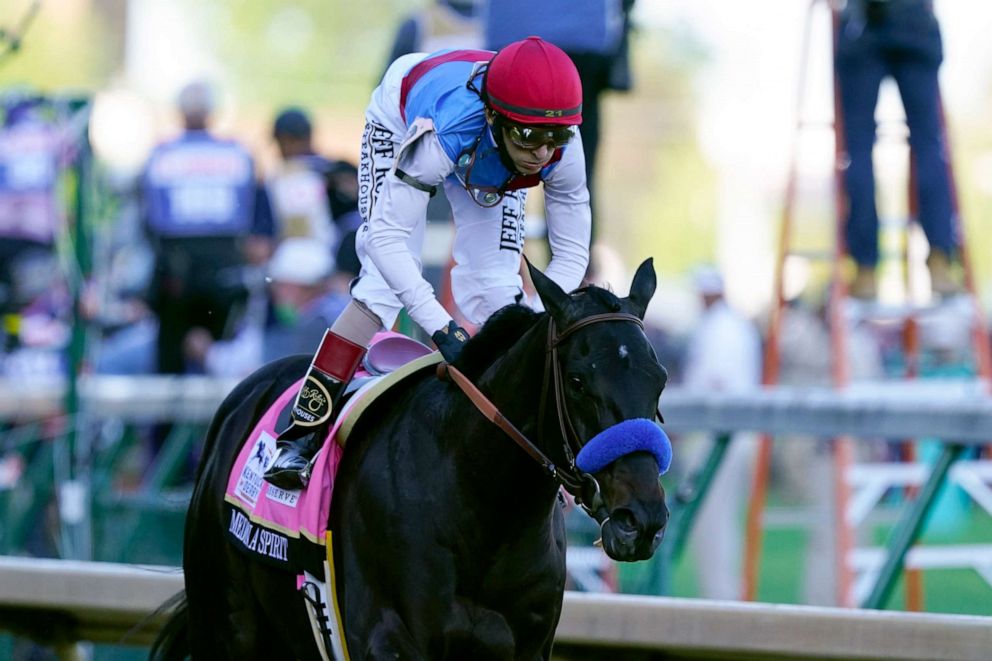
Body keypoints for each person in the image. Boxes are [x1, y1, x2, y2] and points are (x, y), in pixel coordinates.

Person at [263, 36, 592, 489]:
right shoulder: (447, 132)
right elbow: (386, 240)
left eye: (554, 139)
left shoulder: (563, 146)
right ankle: (302, 433)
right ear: (495, 117)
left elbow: (572, 254)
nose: (542, 154)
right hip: (405, 117)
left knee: (498, 292)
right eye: (531, 137)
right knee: (381, 285)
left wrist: (537, 322)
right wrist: (439, 325)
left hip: (483, 139)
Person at [140, 81, 273, 375]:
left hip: (176, 272)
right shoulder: (238, 154)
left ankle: (166, 419)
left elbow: (146, 218)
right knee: (222, 356)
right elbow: (261, 217)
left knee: (170, 362)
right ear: (211, 112)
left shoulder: (161, 155)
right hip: (225, 269)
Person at [835, 0, 961, 299]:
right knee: (929, 147)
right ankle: (940, 261)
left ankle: (865, 270)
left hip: (864, 28)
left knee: (859, 151)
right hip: (915, 26)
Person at [484, 0, 635, 245]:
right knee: (575, 171)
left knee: (492, 163)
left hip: (509, 32)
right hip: (581, 38)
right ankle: (574, 275)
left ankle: (491, 268)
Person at [680, 266, 762, 600]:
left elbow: (715, 383)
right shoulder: (732, 326)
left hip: (716, 437)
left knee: (714, 526)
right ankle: (723, 597)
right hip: (729, 437)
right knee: (718, 524)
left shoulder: (720, 330)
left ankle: (721, 600)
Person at [269, 107, 362, 249]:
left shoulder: (281, 177)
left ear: (287, 140)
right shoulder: (339, 168)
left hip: (300, 253)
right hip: (341, 253)